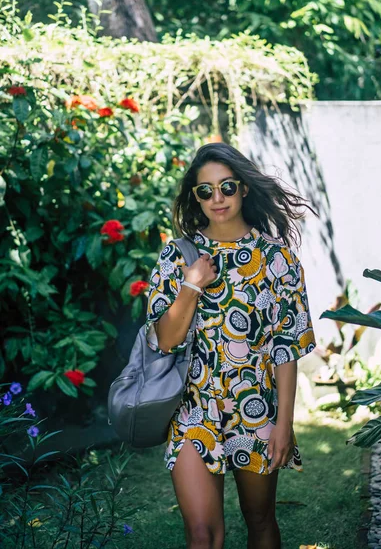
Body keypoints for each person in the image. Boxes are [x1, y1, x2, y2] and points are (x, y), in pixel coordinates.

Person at [145, 142, 317, 549]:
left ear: (243, 189)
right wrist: (191, 284)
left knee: (260, 520)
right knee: (202, 535)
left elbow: (286, 348)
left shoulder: (277, 259)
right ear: (195, 197)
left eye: (226, 187)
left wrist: (284, 423)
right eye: (205, 191)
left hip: (256, 409)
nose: (216, 198)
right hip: (193, 409)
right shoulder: (178, 255)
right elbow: (165, 340)